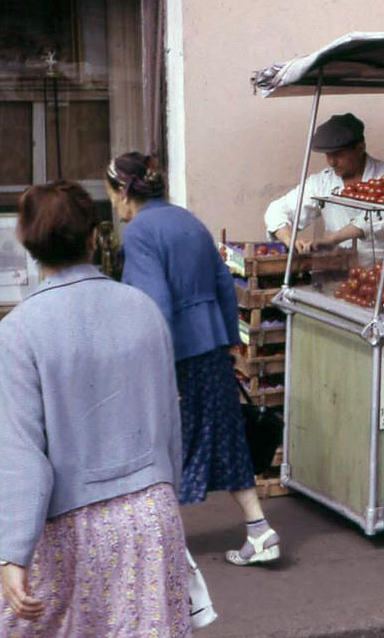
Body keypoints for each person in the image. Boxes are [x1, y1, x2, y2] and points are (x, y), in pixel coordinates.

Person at [0, 181, 190, 635]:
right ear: (94, 238)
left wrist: (14, 552)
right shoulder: (143, 309)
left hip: (72, 525)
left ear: (28, 244)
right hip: (152, 512)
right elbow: (169, 421)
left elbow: (23, 456)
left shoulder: (18, 331)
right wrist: (167, 493)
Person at [107, 152, 280, 567]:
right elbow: (224, 285)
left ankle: (155, 546)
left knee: (162, 444)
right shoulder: (188, 220)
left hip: (176, 354)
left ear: (124, 192)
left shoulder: (140, 232)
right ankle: (259, 529)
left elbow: (154, 306)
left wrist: (149, 366)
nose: (112, 202)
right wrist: (230, 345)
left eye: (111, 192)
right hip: (212, 347)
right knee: (225, 436)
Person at [264, 112, 384, 259]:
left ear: (360, 148)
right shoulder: (321, 182)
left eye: (338, 154)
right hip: (340, 267)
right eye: (328, 155)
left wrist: (333, 239)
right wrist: (289, 239)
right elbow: (277, 210)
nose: (332, 162)